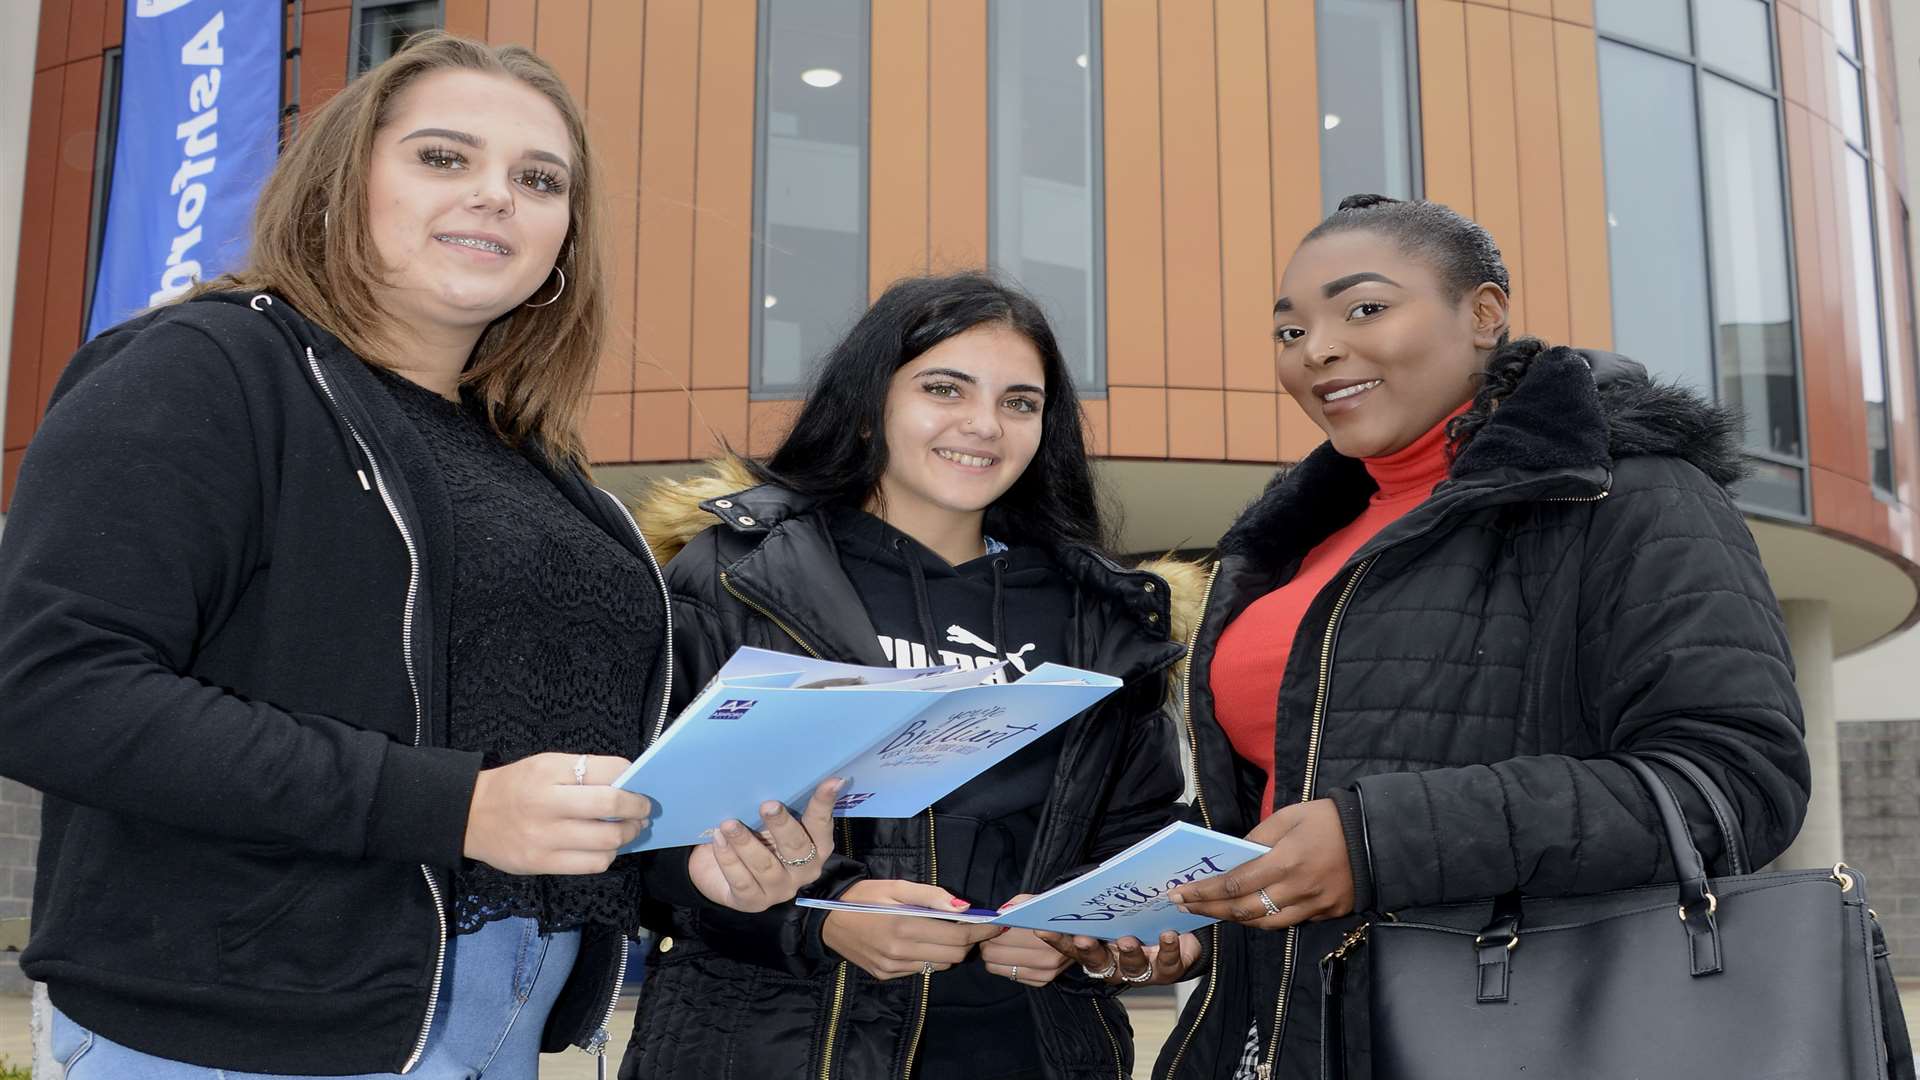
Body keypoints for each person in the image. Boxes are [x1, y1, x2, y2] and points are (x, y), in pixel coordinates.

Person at [0, 32, 835, 1079]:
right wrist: (460, 806)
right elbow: (47, 690)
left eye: (540, 180)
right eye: (444, 157)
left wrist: (707, 862)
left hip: (504, 1025)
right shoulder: (202, 371)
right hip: (242, 1032)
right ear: (339, 187)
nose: (497, 196)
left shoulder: (542, 468)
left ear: (563, 238)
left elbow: (549, 771)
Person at [1041, 194, 1811, 1080]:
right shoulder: (1288, 549)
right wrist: (1171, 909)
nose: (1318, 350)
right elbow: (1276, 810)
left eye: (1364, 308)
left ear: (1483, 314)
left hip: (1517, 1035)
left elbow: (1734, 784)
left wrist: (1376, 844)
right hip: (1271, 1038)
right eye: (1289, 332)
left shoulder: (1623, 495)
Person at [619, 271, 1200, 1080]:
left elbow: (1137, 833)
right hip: (769, 1045)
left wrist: (1089, 941)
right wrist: (823, 918)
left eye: (1020, 403)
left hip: (1030, 1052)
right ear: (869, 403)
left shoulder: (1099, 614)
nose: (983, 425)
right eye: (944, 388)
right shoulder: (739, 575)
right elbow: (642, 836)